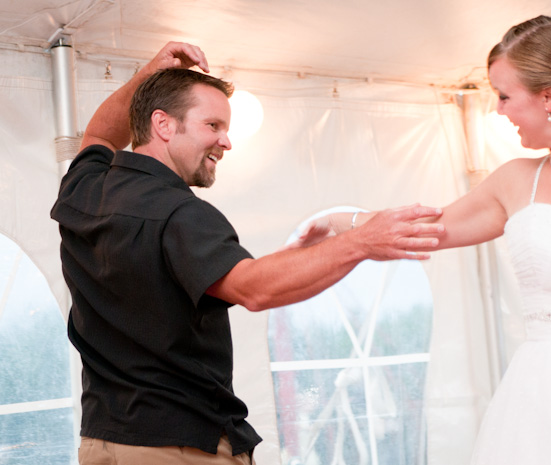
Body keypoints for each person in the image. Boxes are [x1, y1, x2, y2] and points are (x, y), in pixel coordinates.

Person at [310, 15, 551, 464]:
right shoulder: (515, 181)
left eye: (504, 96)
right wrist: (340, 220)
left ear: (549, 97)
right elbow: (425, 229)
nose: (498, 110)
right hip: (543, 399)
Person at [50, 42, 444, 465]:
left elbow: (99, 135)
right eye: (213, 125)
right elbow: (254, 289)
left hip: (102, 444)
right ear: (162, 124)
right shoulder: (183, 214)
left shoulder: (84, 188)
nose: (226, 141)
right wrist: (362, 242)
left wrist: (150, 74)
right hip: (180, 449)